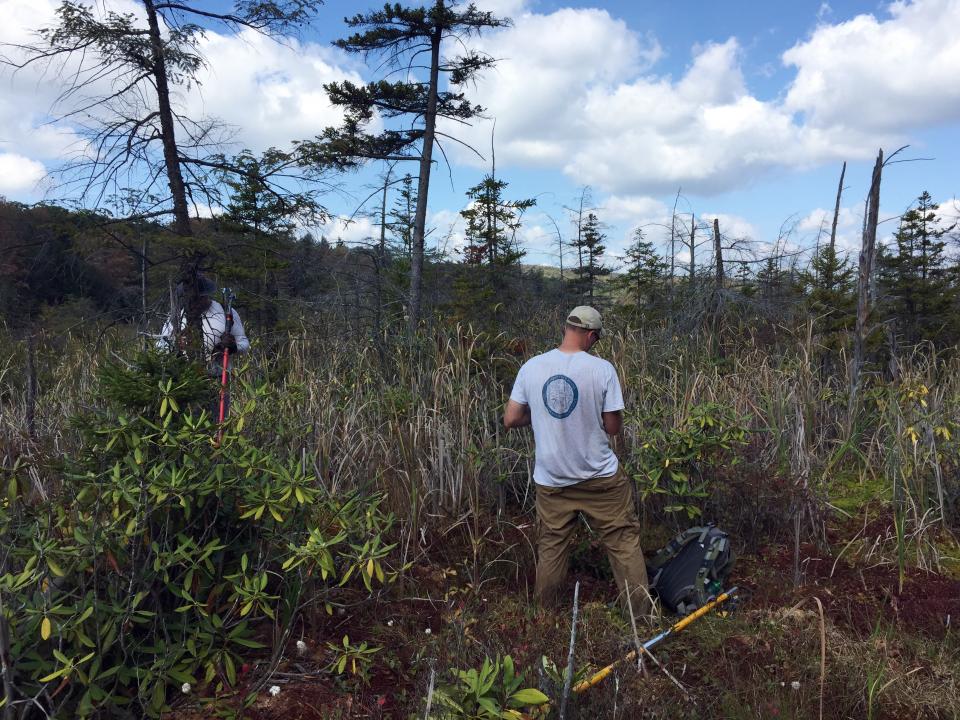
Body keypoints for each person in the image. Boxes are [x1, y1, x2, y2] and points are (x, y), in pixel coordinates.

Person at [504, 306, 648, 615]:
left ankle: (544, 616)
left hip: (552, 480)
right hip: (600, 479)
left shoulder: (532, 367)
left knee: (552, 547)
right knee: (623, 542)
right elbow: (612, 427)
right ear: (591, 336)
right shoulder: (602, 369)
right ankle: (641, 618)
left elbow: (511, 418)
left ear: (567, 327)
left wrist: (540, 415)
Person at [157, 275, 250, 359]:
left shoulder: (226, 312)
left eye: (199, 298)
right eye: (191, 298)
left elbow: (245, 345)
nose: (195, 301)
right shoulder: (176, 317)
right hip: (186, 375)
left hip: (219, 375)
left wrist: (233, 347)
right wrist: (175, 344)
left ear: (206, 295)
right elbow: (160, 347)